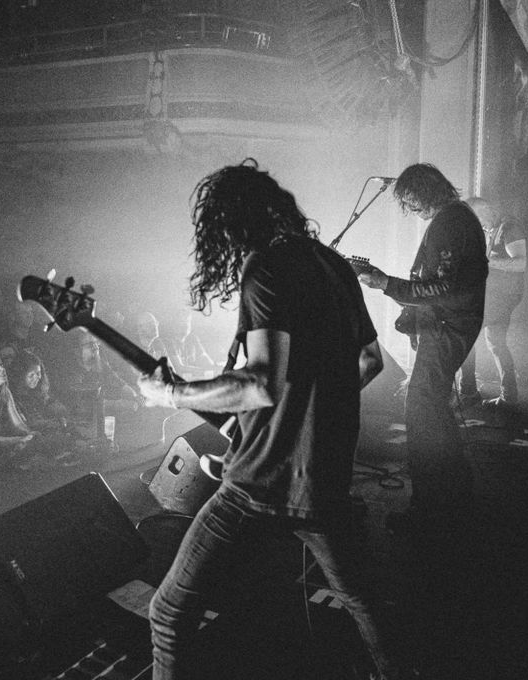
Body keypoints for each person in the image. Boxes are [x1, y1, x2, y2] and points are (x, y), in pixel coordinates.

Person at [138, 159, 396, 679]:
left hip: (258, 483)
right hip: (322, 480)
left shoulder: (265, 268)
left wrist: (172, 394)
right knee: (365, 604)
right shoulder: (333, 264)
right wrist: (316, 410)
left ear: (228, 226)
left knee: (168, 613)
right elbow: (371, 361)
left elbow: (259, 384)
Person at [355, 164, 487, 526]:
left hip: (447, 327)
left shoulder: (450, 222)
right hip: (447, 325)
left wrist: (385, 283)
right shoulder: (455, 219)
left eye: (411, 201)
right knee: (435, 410)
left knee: (421, 411)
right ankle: (455, 493)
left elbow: (443, 288)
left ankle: (428, 508)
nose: (410, 209)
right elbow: (438, 282)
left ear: (425, 193)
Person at [457, 197, 526, 410]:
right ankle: (509, 396)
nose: (476, 224)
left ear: (486, 210)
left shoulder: (509, 228)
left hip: (502, 297)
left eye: (476, 218)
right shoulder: (492, 230)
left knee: (465, 334)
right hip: (495, 296)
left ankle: (468, 392)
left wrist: (483, 261)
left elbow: (520, 263)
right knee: (496, 343)